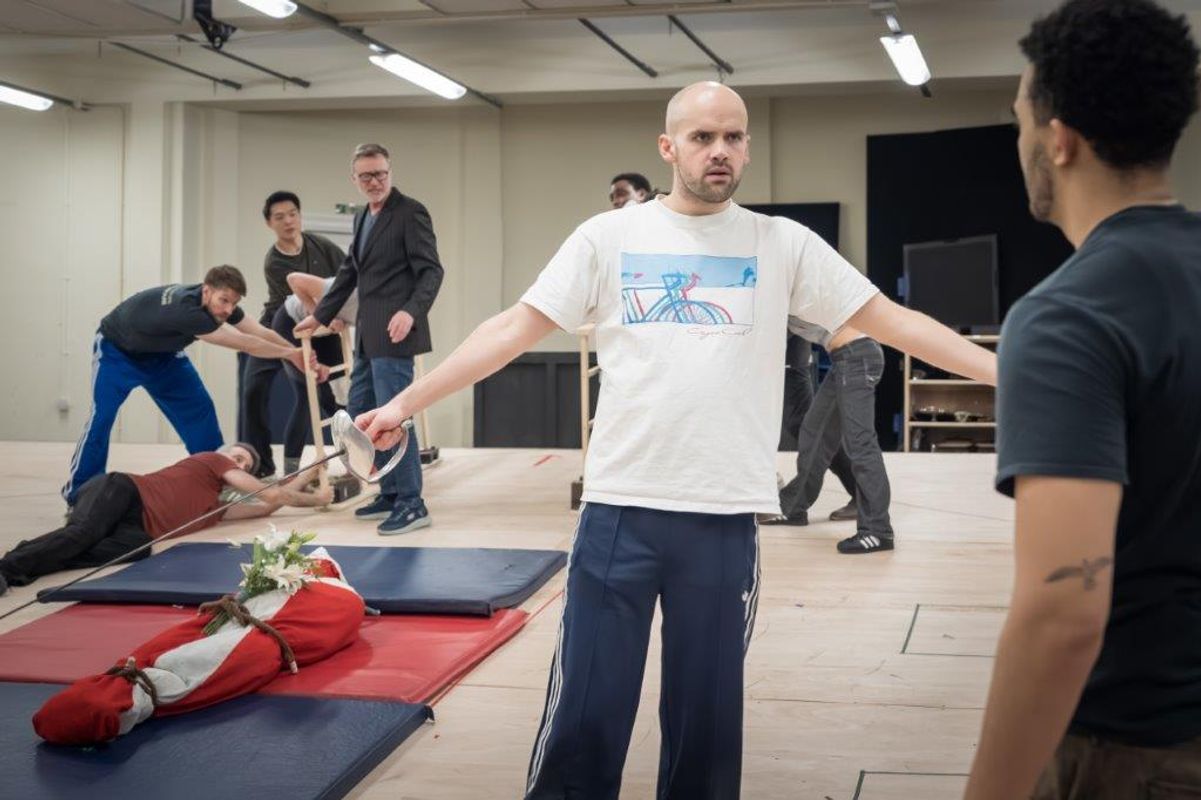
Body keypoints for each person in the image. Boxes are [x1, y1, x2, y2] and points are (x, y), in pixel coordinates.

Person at [355, 81, 996, 799]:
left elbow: (893, 320)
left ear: (747, 146)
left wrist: (1003, 376)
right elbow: (511, 329)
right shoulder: (608, 237)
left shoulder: (781, 244)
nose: (718, 151)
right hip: (619, 511)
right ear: (668, 147)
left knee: (705, 725)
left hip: (723, 519)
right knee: (586, 717)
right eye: (701, 137)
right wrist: (405, 402)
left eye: (732, 137)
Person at [964, 2, 1201, 798]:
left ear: (1057, 139)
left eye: (1020, 119)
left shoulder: (1068, 316)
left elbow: (1063, 611)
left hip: (1137, 750)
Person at [62, 266, 313, 506]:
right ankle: (79, 493)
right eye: (224, 300)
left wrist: (296, 350)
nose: (228, 309)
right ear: (206, 291)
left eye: (234, 303)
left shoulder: (218, 304)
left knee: (199, 409)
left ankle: (217, 481)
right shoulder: (186, 311)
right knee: (102, 418)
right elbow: (245, 343)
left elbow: (258, 331)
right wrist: (290, 355)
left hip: (163, 356)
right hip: (118, 351)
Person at [295, 143, 445, 536]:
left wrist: (410, 312)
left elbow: (432, 271)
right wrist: (319, 315)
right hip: (367, 335)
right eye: (366, 176)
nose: (374, 182)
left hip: (396, 334)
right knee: (361, 410)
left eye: (380, 173)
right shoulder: (364, 216)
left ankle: (413, 502)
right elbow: (349, 273)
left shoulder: (410, 212)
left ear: (390, 172)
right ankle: (391, 493)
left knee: (395, 417)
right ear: (355, 179)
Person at [2, 444, 331, 596]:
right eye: (238, 456)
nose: (240, 463)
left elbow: (266, 505)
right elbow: (271, 495)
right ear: (225, 454)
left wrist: (310, 474)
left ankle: (31, 564)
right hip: (124, 490)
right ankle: (8, 566)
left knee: (134, 549)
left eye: (246, 464)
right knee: (82, 533)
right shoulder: (212, 460)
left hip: (138, 529)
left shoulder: (212, 507)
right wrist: (316, 499)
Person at [240, 191, 345, 477]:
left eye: (293, 214)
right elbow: (298, 306)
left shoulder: (319, 244)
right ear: (269, 223)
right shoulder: (274, 261)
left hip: (323, 326)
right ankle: (265, 465)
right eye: (279, 217)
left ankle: (355, 456)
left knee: (327, 397)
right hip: (281, 326)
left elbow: (347, 273)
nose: (288, 221)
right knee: (253, 390)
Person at [765, 323, 891, 553]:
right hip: (844, 359)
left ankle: (877, 531)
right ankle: (793, 508)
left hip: (858, 356)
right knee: (814, 433)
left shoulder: (789, 291)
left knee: (860, 443)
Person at [274, 272, 359, 475]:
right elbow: (294, 279)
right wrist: (321, 315)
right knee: (307, 396)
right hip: (291, 323)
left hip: (326, 333)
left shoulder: (386, 305)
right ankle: (290, 473)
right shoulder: (352, 292)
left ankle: (356, 462)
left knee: (339, 401)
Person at [779, 333, 859, 522]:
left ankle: (863, 493)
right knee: (805, 426)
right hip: (769, 347)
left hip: (787, 344)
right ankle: (863, 494)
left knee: (805, 426)